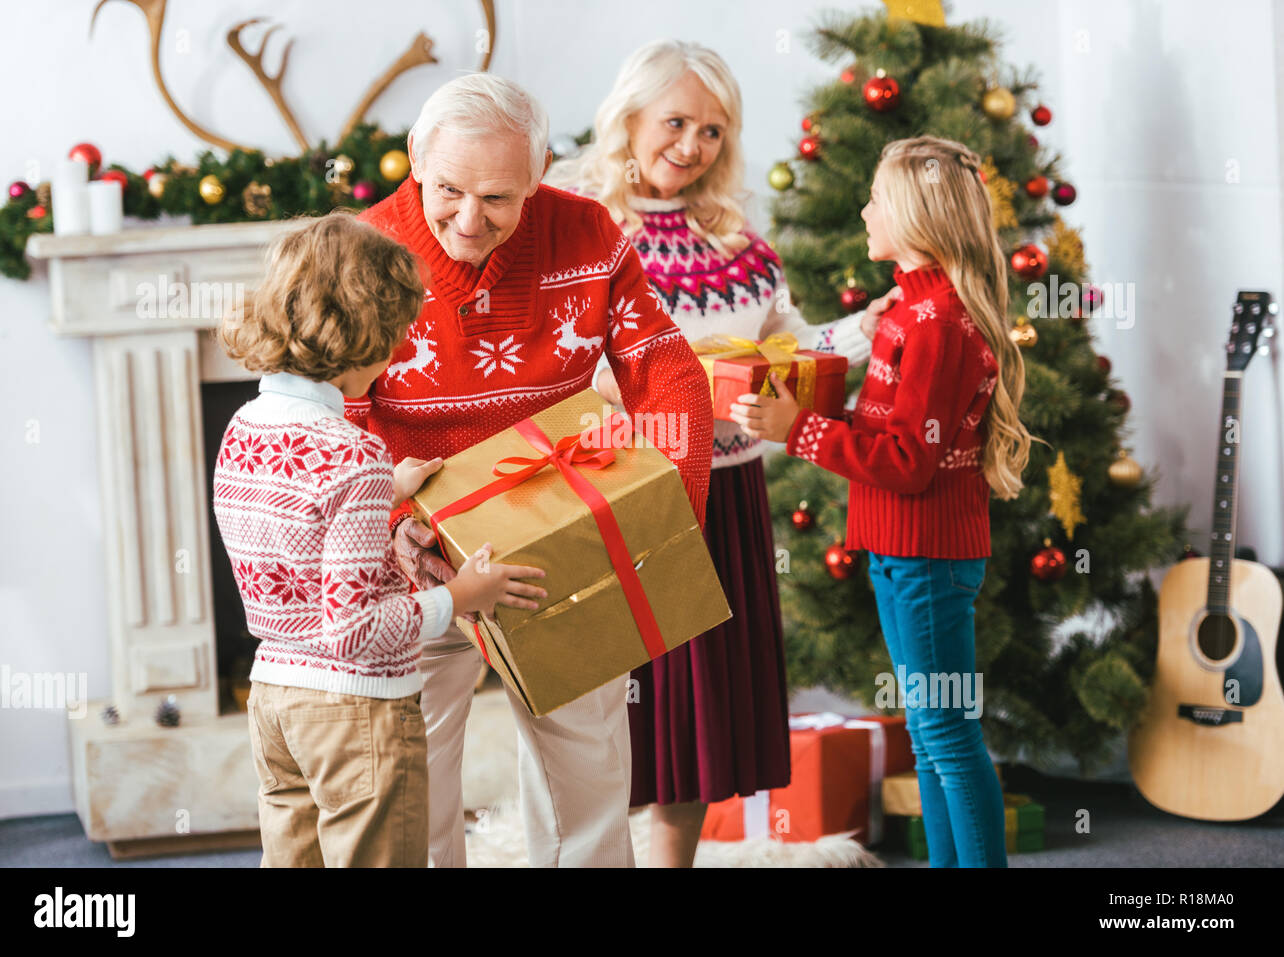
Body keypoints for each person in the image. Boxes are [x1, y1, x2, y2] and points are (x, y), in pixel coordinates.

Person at [349, 73, 715, 867]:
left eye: (499, 199)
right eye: (448, 190)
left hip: (552, 536)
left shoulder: (587, 233)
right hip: (417, 551)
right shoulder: (364, 253)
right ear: (415, 156)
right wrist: (388, 522)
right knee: (415, 777)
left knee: (585, 767)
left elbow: (667, 371)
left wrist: (664, 523)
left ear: (541, 171)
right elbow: (336, 414)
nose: (469, 220)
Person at [546, 38, 895, 867]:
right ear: (627, 119)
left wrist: (865, 328)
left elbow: (790, 344)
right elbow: (558, 360)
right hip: (625, 492)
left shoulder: (736, 238)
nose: (692, 145)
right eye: (675, 122)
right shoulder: (579, 225)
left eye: (712, 130)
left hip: (726, 497)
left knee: (697, 707)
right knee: (612, 705)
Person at [732, 135, 1035, 868]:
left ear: (914, 215)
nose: (865, 210)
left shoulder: (938, 326)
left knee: (948, 732)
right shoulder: (907, 312)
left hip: (929, 557)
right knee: (929, 731)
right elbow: (887, 429)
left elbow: (905, 460)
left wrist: (796, 430)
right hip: (900, 551)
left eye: (875, 199)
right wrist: (808, 406)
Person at [212, 211, 546, 867]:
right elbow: (354, 630)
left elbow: (299, 522)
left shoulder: (245, 428)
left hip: (277, 697)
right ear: (363, 339)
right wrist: (464, 594)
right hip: (355, 710)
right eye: (394, 338)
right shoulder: (354, 454)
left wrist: (384, 492)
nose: (395, 354)